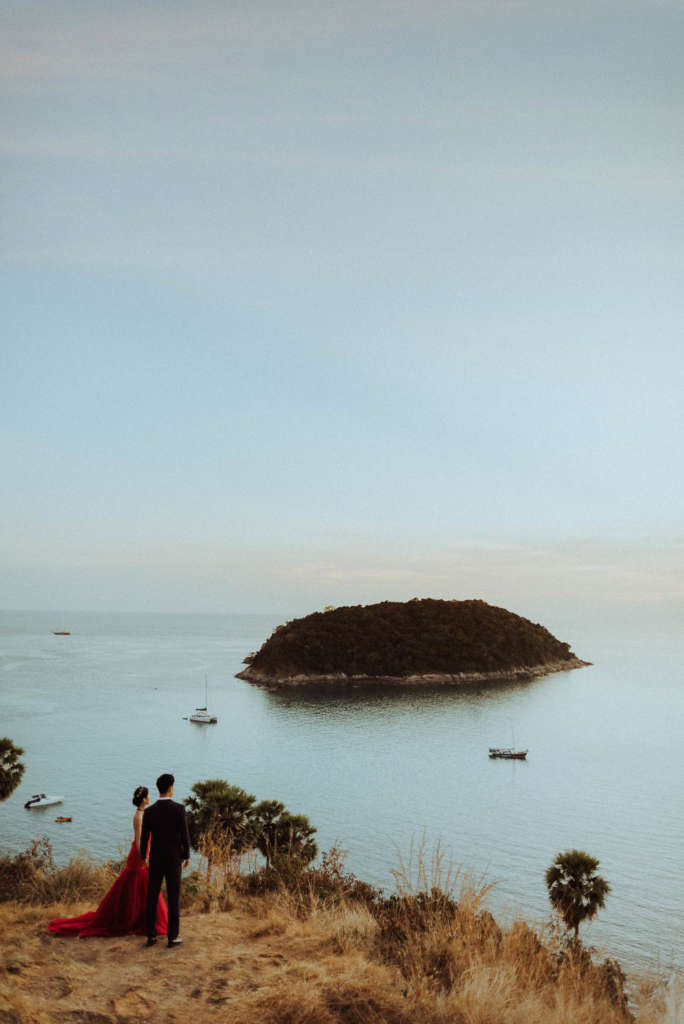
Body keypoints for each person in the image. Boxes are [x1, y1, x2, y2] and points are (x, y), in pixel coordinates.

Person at [48, 786, 168, 938]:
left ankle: (143, 919)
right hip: (139, 855)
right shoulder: (139, 816)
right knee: (140, 885)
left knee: (141, 887)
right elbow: (138, 841)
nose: (150, 796)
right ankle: (139, 920)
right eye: (149, 795)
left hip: (143, 853)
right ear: (144, 799)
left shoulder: (144, 814)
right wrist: (145, 858)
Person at [141, 772, 190, 949]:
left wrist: (143, 857)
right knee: (173, 897)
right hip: (173, 858)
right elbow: (185, 835)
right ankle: (172, 936)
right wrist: (186, 855)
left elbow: (144, 838)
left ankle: (151, 935)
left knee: (152, 896)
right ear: (170, 788)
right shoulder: (179, 809)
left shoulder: (149, 811)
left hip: (155, 858)